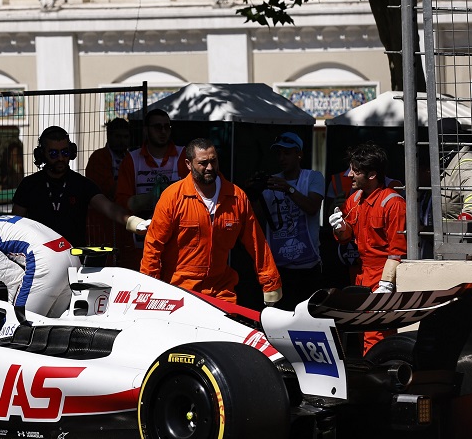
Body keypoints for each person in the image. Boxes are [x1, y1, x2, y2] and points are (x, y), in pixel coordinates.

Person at [142, 137, 283, 306]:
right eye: (203, 163)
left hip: (221, 290)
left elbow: (257, 244)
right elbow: (153, 245)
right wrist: (149, 289)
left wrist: (270, 283)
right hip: (179, 290)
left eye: (213, 161)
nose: (210, 167)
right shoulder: (172, 197)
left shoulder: (236, 197)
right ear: (188, 164)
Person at [328, 141, 407, 354]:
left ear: (372, 175)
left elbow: (398, 250)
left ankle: (381, 378)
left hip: (381, 277)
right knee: (363, 334)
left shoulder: (393, 203)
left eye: (356, 171)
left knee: (378, 336)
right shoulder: (355, 199)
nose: (350, 175)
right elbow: (346, 237)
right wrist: (339, 227)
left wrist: (386, 284)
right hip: (361, 276)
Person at [12, 125, 148, 247]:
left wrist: (135, 223)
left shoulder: (82, 184)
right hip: (39, 257)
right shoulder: (29, 185)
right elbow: (16, 224)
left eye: (65, 152)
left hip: (74, 257)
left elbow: (110, 208)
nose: (60, 158)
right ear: (41, 154)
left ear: (71, 152)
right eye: (53, 153)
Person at [258, 132, 325, 310]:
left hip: (308, 267)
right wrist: (251, 192)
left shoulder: (313, 177)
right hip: (279, 268)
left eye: (287, 153)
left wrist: (288, 189)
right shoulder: (271, 182)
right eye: (278, 153)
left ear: (299, 154)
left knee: (309, 317)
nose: (281, 158)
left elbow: (312, 207)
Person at [114, 109, 187, 269]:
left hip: (178, 241)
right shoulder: (132, 160)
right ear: (146, 130)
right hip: (142, 241)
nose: (163, 131)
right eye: (157, 127)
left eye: (167, 127)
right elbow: (121, 201)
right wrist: (146, 200)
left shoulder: (184, 156)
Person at [84, 117, 131, 252]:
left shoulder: (130, 157)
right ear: (109, 136)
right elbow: (107, 189)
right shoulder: (98, 158)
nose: (122, 141)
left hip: (123, 217)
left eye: (125, 137)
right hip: (101, 220)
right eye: (118, 136)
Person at [436, 118, 472, 221]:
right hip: (447, 234)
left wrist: (467, 216)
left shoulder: (468, 167)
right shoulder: (449, 163)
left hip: (467, 235)